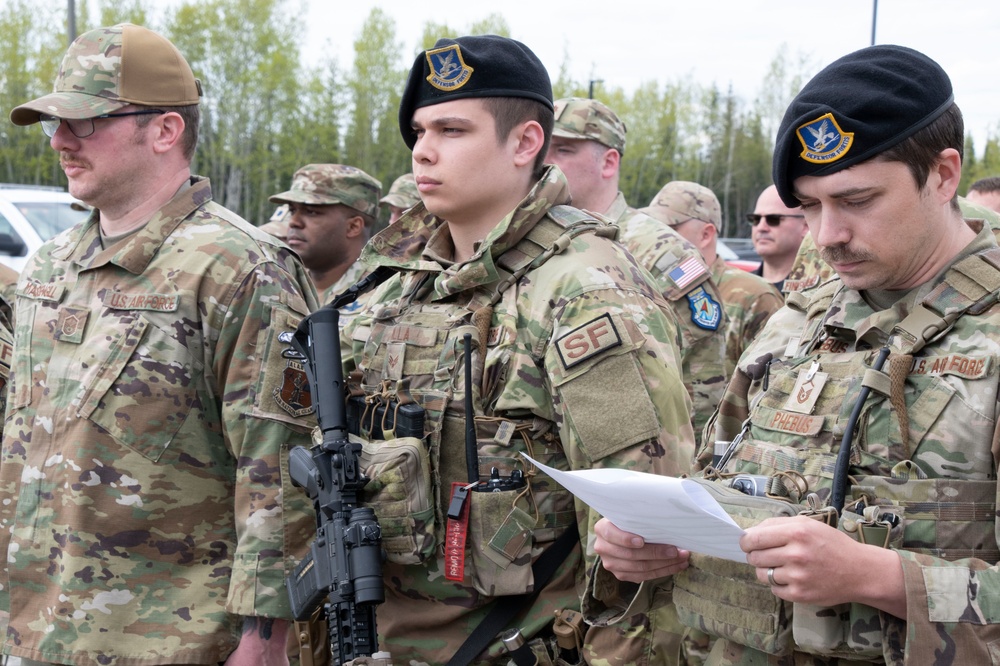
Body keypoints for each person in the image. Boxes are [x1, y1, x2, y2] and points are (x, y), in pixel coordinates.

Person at [586, 44, 1000, 664]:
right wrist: (658, 545)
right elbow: (714, 489)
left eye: (856, 200)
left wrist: (877, 578)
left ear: (943, 175)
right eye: (809, 206)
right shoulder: (797, 323)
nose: (827, 234)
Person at [338, 34, 694, 665]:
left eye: (452, 129)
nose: (424, 150)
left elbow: (642, 549)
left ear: (526, 143)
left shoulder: (583, 289)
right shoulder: (388, 281)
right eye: (419, 131)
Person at [4, 23, 319, 665]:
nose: (61, 140)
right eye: (54, 124)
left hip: (171, 640)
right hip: (34, 627)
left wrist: (264, 644)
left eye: (85, 123)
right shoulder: (50, 266)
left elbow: (280, 471)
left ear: (166, 130)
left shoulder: (240, 269)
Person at [546, 96, 727, 450]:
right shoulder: (538, 240)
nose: (546, 163)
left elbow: (703, 379)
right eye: (541, 150)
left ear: (608, 162)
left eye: (563, 150)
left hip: (645, 456)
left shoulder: (662, 251)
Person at [642, 181, 783, 378]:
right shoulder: (649, 291)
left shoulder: (753, 296)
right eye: (653, 228)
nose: (656, 238)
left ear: (706, 234)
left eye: (667, 230)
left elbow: (771, 383)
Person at [269, 163, 381, 311]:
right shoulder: (278, 284)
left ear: (353, 227)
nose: (293, 222)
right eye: (292, 210)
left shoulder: (385, 295)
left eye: (311, 212)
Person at [748, 184, 808, 291]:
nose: (761, 227)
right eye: (756, 219)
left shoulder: (821, 289)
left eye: (773, 219)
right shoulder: (740, 288)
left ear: (805, 226)